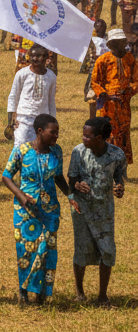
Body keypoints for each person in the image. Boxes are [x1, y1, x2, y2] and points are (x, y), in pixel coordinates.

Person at [2, 113, 69, 303]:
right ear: (40, 131)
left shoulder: (57, 152)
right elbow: (6, 176)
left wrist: (71, 195)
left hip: (50, 210)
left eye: (57, 133)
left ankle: (41, 293)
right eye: (53, 132)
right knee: (26, 250)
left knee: (46, 249)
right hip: (25, 212)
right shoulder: (21, 151)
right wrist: (21, 195)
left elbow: (58, 178)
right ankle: (23, 292)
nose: (56, 136)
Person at [68, 116, 127, 305]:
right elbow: (71, 181)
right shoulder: (78, 152)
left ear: (100, 138)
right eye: (83, 135)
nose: (83, 139)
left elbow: (119, 178)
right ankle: (80, 293)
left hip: (104, 211)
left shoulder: (117, 155)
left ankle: (102, 295)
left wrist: (119, 187)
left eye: (88, 136)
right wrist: (77, 185)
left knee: (108, 251)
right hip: (82, 210)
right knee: (82, 250)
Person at [91, 30, 134, 162]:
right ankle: (106, 165)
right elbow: (95, 81)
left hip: (123, 103)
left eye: (120, 42)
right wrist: (103, 93)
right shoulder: (103, 60)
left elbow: (136, 80)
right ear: (110, 44)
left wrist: (128, 92)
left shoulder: (130, 59)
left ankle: (122, 166)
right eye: (114, 43)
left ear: (124, 43)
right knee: (107, 132)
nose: (118, 46)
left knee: (123, 133)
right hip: (107, 105)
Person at [6, 44, 59, 146]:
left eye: (39, 56)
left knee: (39, 150)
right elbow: (13, 96)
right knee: (20, 149)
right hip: (24, 119)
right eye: (33, 56)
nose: (36, 59)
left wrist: (53, 123)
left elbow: (51, 101)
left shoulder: (51, 77)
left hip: (42, 122)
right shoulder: (22, 74)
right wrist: (10, 121)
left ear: (46, 58)